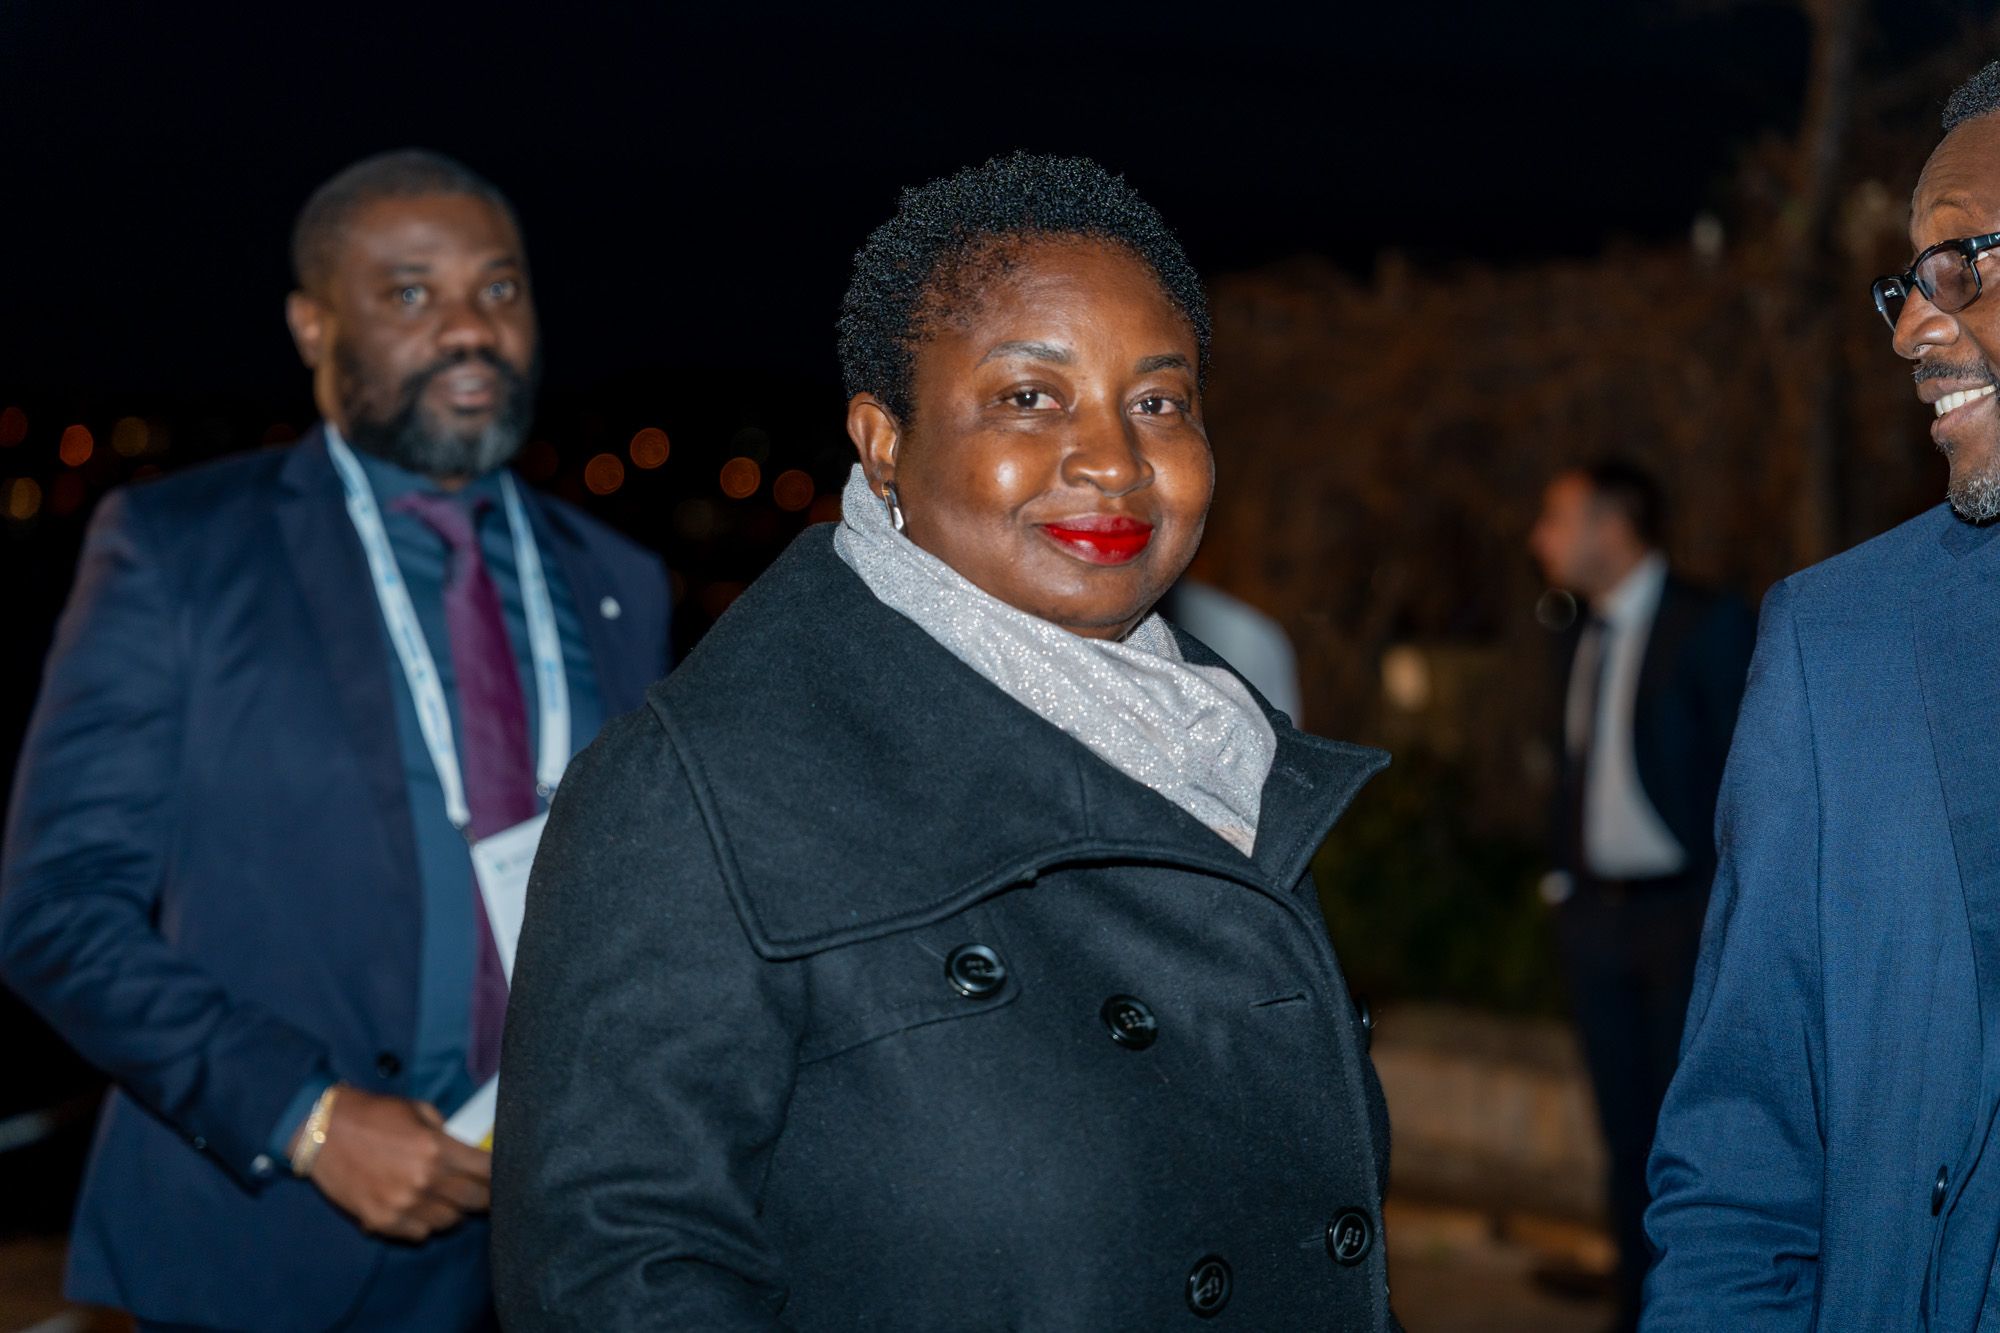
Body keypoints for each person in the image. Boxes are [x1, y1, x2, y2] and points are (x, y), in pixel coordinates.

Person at [492, 152, 1397, 1330]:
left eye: (1157, 402)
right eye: (1029, 396)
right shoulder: (697, 793)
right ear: (881, 443)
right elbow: (614, 1277)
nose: (1113, 458)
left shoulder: (1214, 754)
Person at [0, 150, 669, 1332]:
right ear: (313, 327)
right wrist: (304, 1116)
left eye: (499, 289)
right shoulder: (176, 550)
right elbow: (55, 912)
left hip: (551, 1250)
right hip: (270, 1244)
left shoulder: (619, 580)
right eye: (411, 293)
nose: (470, 328)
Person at [1645, 61, 2000, 1328]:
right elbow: (1740, 1169)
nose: (1909, 328)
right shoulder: (1839, 646)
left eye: (1961, 264)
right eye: (1907, 280)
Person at [1526, 460, 1752, 1329]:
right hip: (1595, 920)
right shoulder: (1573, 629)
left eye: (1557, 517)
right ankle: (1635, 1311)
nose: (1540, 539)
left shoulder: (1710, 622)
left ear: (1612, 527)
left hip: (1682, 918)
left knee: (1688, 1140)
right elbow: (1573, 770)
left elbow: (1749, 781)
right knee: (1622, 1136)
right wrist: (1564, 883)